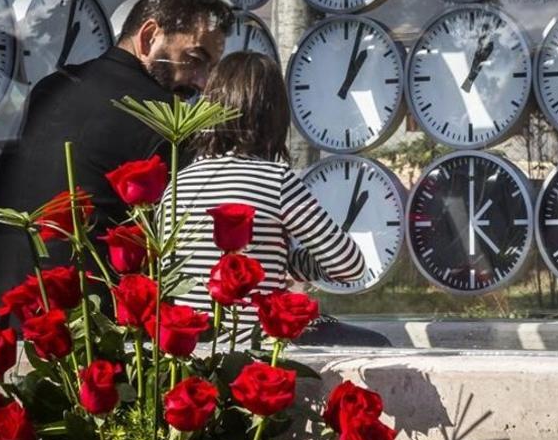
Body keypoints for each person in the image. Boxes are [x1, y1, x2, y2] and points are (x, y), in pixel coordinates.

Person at [0, 0, 232, 324]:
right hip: (82, 338)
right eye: (195, 60)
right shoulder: (166, 119)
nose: (201, 82)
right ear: (149, 37)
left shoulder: (53, 87)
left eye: (210, 69)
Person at [164, 52, 389, 347]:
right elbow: (349, 265)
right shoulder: (275, 180)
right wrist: (291, 264)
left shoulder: (178, 185)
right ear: (274, 115)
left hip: (192, 351)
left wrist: (279, 260)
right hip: (259, 347)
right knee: (379, 344)